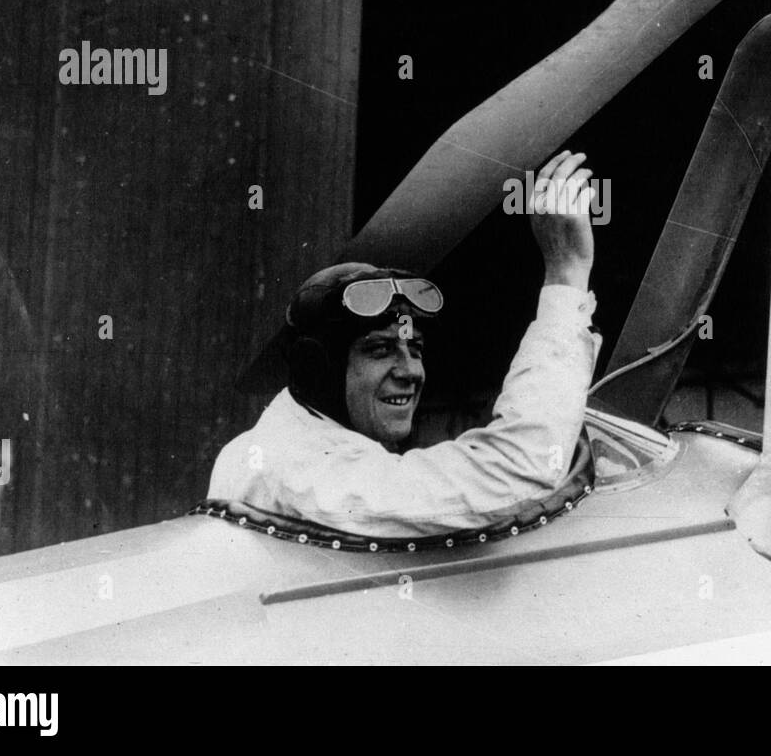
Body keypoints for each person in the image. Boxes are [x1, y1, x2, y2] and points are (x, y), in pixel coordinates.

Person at [208, 150, 601, 537]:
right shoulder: (313, 479)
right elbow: (522, 468)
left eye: (414, 349)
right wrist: (567, 274)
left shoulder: (272, 440)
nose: (411, 371)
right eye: (379, 350)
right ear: (317, 368)